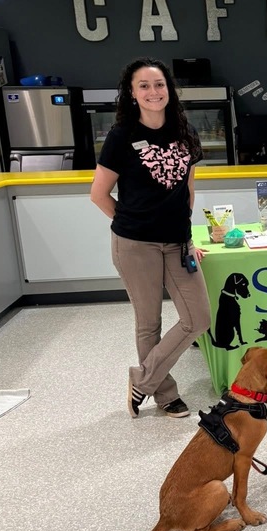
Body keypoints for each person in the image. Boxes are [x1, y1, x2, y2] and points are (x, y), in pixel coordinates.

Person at [90, 57, 211, 419]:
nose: (153, 92)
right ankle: (166, 395)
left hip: (178, 243)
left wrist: (187, 237)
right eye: (143, 85)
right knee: (149, 323)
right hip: (135, 245)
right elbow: (99, 194)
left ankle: (141, 380)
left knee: (198, 318)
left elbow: (187, 192)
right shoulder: (121, 137)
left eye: (158, 84)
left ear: (169, 90)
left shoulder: (184, 132)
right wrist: (133, 226)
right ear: (132, 93)